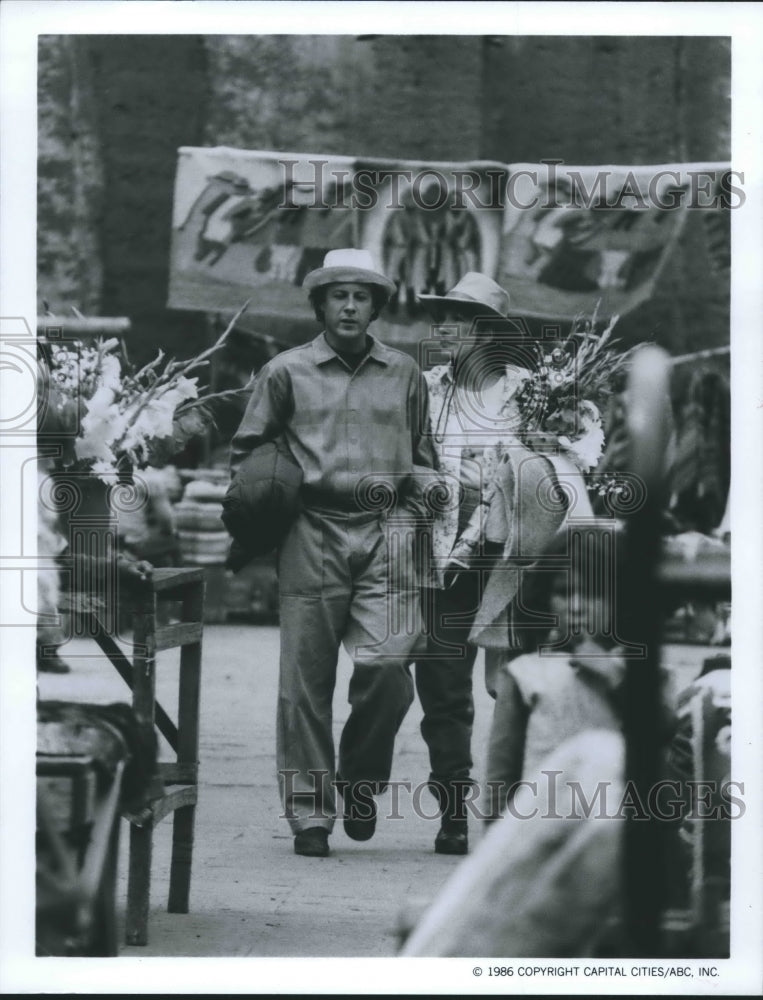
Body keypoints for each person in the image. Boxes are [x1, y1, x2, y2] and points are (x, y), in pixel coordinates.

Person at [229, 248, 437, 858]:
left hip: (389, 530)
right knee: (304, 683)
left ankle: (361, 783)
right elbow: (248, 450)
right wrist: (267, 494)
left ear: (376, 307)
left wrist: (435, 492)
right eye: (338, 295)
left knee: (390, 668)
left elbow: (423, 457)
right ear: (320, 304)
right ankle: (309, 813)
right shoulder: (285, 371)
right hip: (311, 528)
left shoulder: (404, 373)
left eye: (362, 296)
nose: (350, 305)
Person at [414, 272, 595, 855]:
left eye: (459, 319)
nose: (444, 329)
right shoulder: (423, 388)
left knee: (512, 686)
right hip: (444, 559)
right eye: (439, 318)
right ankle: (452, 813)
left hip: (509, 563)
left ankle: (514, 812)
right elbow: (401, 460)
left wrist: (510, 476)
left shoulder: (535, 392)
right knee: (442, 690)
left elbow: (568, 466)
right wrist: (438, 485)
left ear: (489, 332)